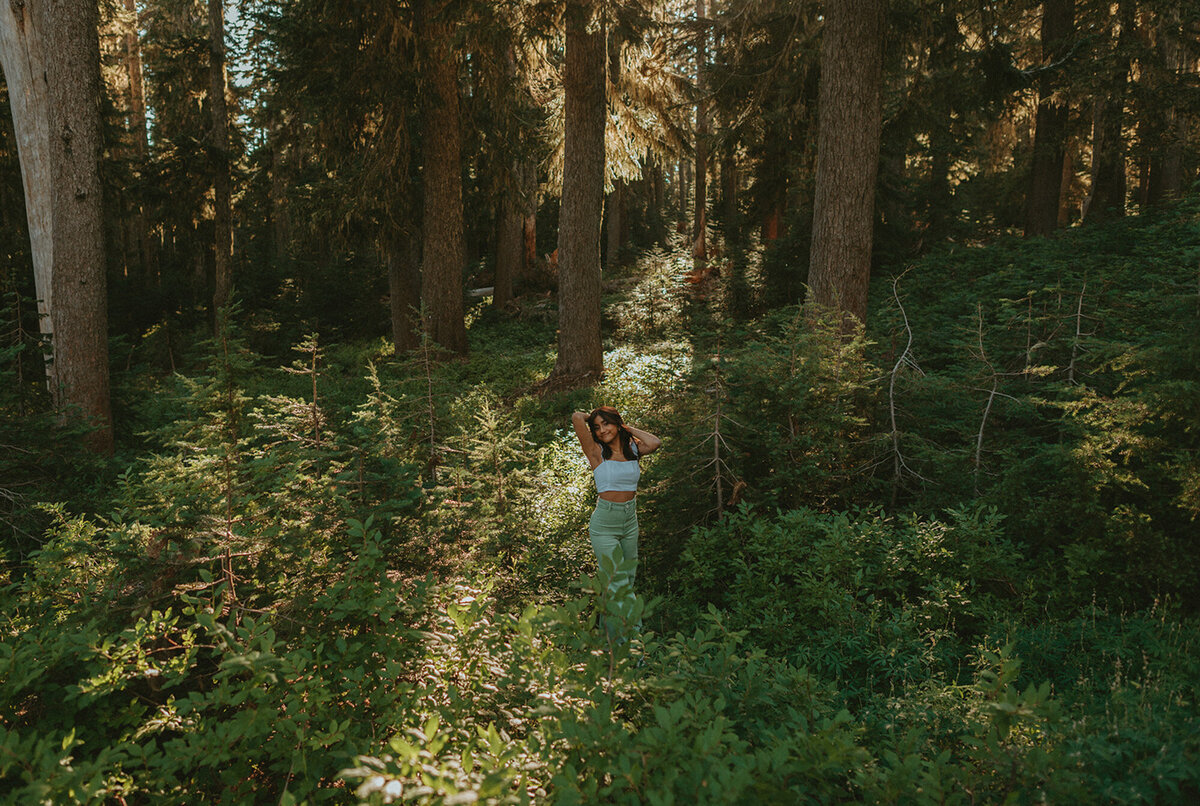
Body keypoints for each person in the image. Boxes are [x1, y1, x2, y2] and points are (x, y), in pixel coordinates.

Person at [571, 407, 662, 617]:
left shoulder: (633, 450)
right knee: (618, 581)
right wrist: (593, 416)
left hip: (630, 521)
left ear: (617, 423)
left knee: (627, 579)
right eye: (597, 427)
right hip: (604, 525)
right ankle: (634, 640)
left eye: (606, 424)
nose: (602, 430)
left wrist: (625, 427)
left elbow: (655, 443)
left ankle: (609, 639)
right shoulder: (596, 452)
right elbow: (577, 417)